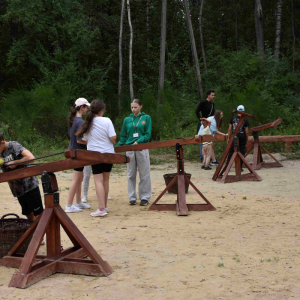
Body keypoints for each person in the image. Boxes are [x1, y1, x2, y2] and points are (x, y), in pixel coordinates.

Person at [76, 99, 116, 217]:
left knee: (98, 180)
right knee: (105, 180)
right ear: (102, 110)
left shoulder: (88, 122)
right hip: (108, 154)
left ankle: (101, 208)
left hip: (94, 154)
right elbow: (113, 138)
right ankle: (105, 206)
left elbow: (85, 139)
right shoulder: (107, 120)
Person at [115, 99, 152, 206]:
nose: (133, 109)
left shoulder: (146, 118)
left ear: (141, 106)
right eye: (132, 107)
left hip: (141, 148)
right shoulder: (127, 119)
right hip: (129, 149)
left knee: (144, 174)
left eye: (135, 107)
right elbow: (123, 137)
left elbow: (147, 134)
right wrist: (116, 148)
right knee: (131, 174)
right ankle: (132, 197)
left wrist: (139, 141)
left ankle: (144, 197)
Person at [0, 133, 44, 221]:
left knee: (39, 214)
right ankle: (34, 234)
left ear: (2, 142)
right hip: (17, 188)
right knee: (28, 214)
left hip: (29, 185)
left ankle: (41, 232)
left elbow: (31, 157)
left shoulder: (14, 145)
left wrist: (16, 162)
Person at [65, 98, 92, 213]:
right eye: (87, 107)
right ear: (82, 107)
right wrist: (92, 143)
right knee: (76, 179)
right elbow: (80, 140)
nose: (87, 110)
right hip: (78, 152)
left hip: (74, 151)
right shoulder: (80, 122)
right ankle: (69, 205)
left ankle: (78, 202)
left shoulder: (73, 120)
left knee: (79, 178)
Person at [227, 105, 249, 170]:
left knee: (231, 151)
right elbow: (247, 131)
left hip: (234, 136)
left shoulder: (232, 118)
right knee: (242, 151)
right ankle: (240, 167)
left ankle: (227, 166)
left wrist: (228, 138)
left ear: (237, 111)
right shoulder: (245, 119)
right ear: (244, 111)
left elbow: (229, 129)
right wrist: (247, 139)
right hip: (242, 136)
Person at [195, 90, 215, 162]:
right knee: (202, 140)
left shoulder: (212, 104)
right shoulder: (203, 102)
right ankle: (202, 156)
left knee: (209, 140)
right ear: (208, 95)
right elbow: (197, 111)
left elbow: (213, 115)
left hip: (210, 123)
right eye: (212, 95)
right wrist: (200, 119)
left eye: (213, 95)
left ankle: (208, 157)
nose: (213, 96)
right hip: (204, 123)